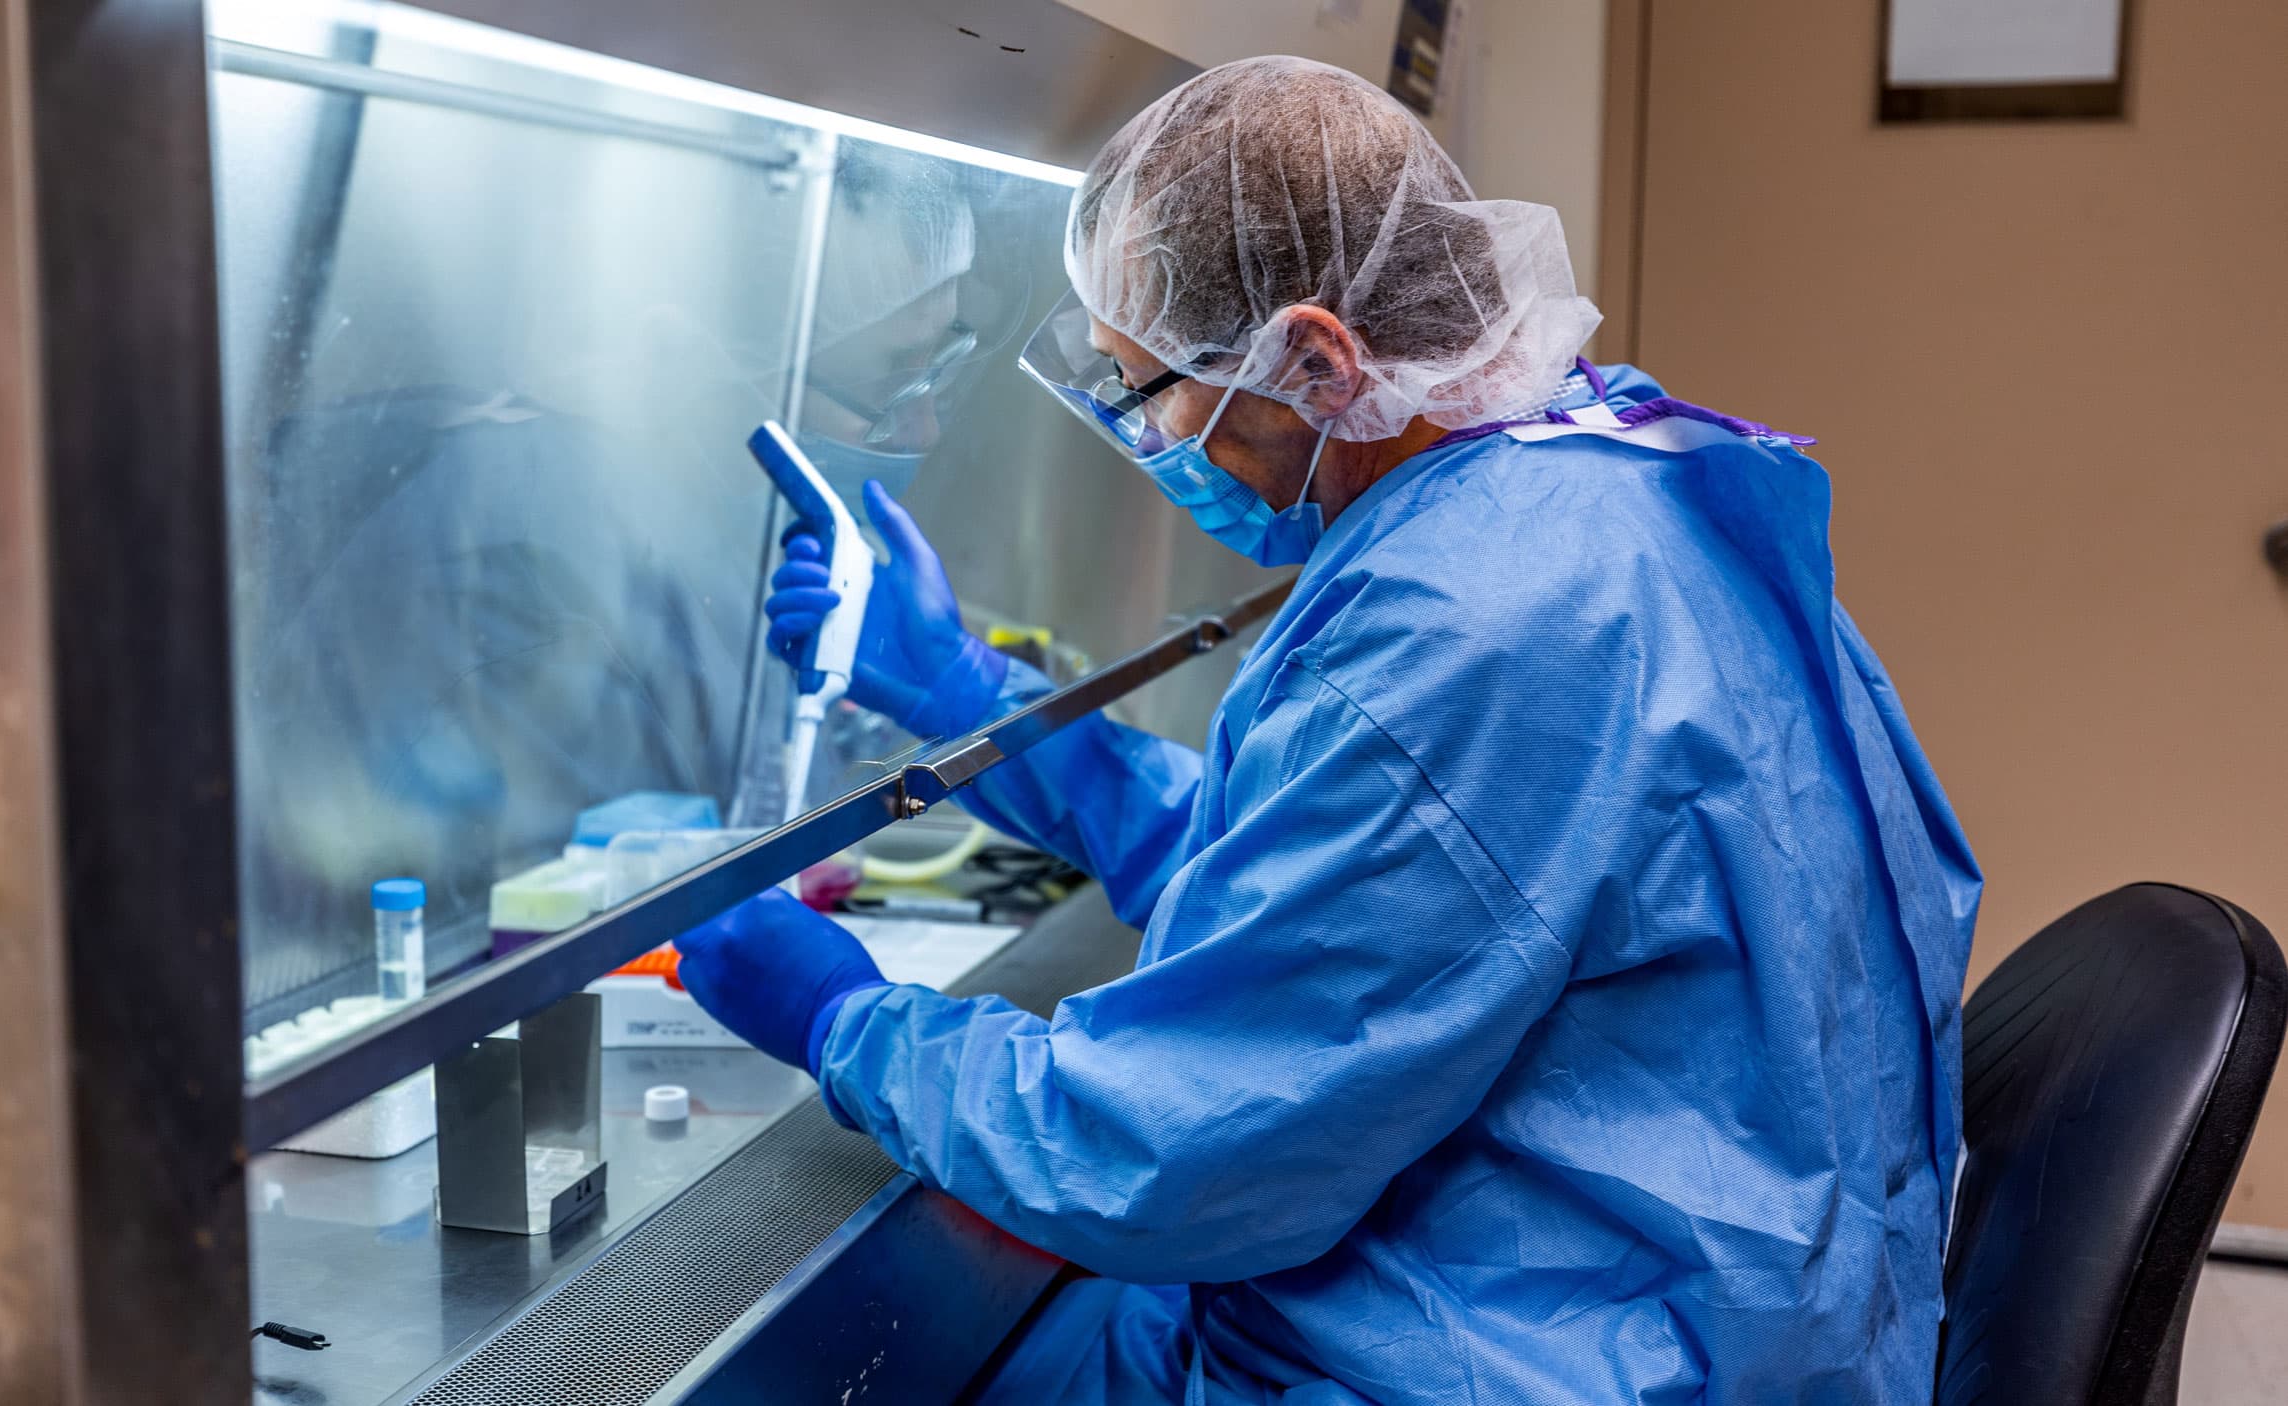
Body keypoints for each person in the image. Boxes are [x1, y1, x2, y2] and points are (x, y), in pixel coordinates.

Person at [675, 55, 1979, 1404]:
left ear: (1314, 355)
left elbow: (1164, 1152)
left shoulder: (1471, 617)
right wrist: (966, 698)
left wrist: (843, 1019)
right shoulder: (1598, 474)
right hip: (1710, 1300)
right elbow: (1341, 874)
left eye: (1155, 390)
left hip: (1559, 1355)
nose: (1152, 438)